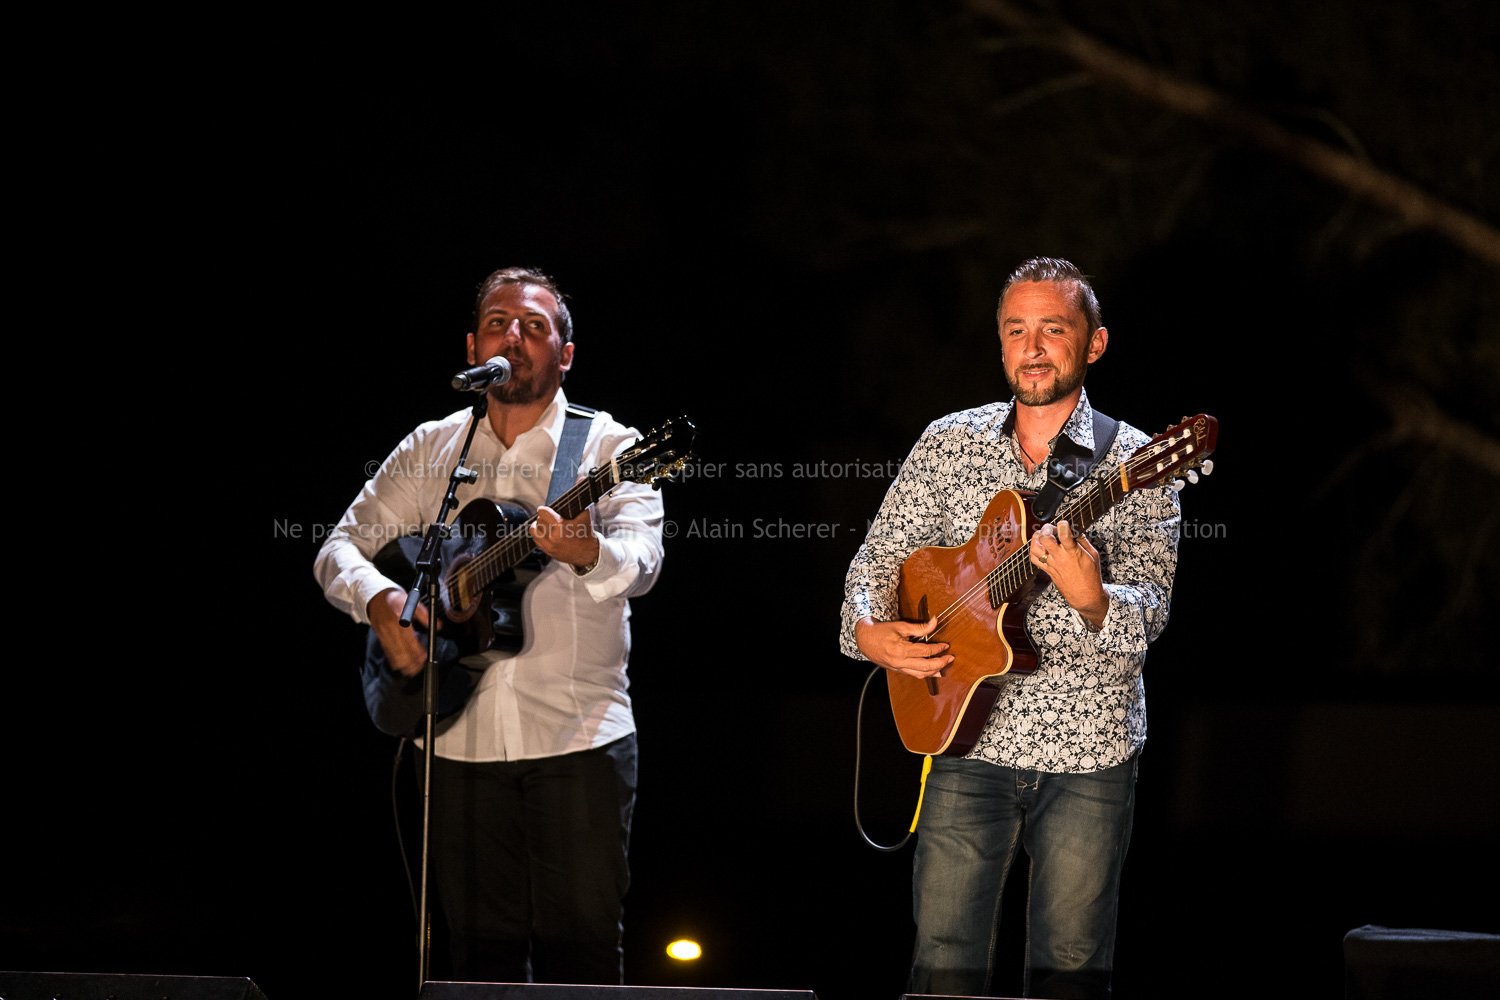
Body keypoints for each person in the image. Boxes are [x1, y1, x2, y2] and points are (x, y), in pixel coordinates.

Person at [313, 266, 666, 984]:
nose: (515, 337)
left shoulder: (608, 447)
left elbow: (643, 561)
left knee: (583, 959)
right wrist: (380, 601)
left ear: (565, 354)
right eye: (499, 324)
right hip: (454, 740)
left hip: (578, 737)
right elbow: (339, 546)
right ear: (474, 347)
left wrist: (585, 550)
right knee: (477, 966)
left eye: (535, 327)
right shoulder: (434, 448)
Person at [839, 257, 1181, 998]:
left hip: (1089, 749)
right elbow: (878, 560)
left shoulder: (1139, 461)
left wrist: (1095, 600)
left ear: (1093, 343)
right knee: (943, 962)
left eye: (1053, 329)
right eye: (1016, 330)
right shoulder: (948, 442)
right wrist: (868, 631)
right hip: (964, 735)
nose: (1033, 348)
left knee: (1071, 966)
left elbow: (1151, 608)